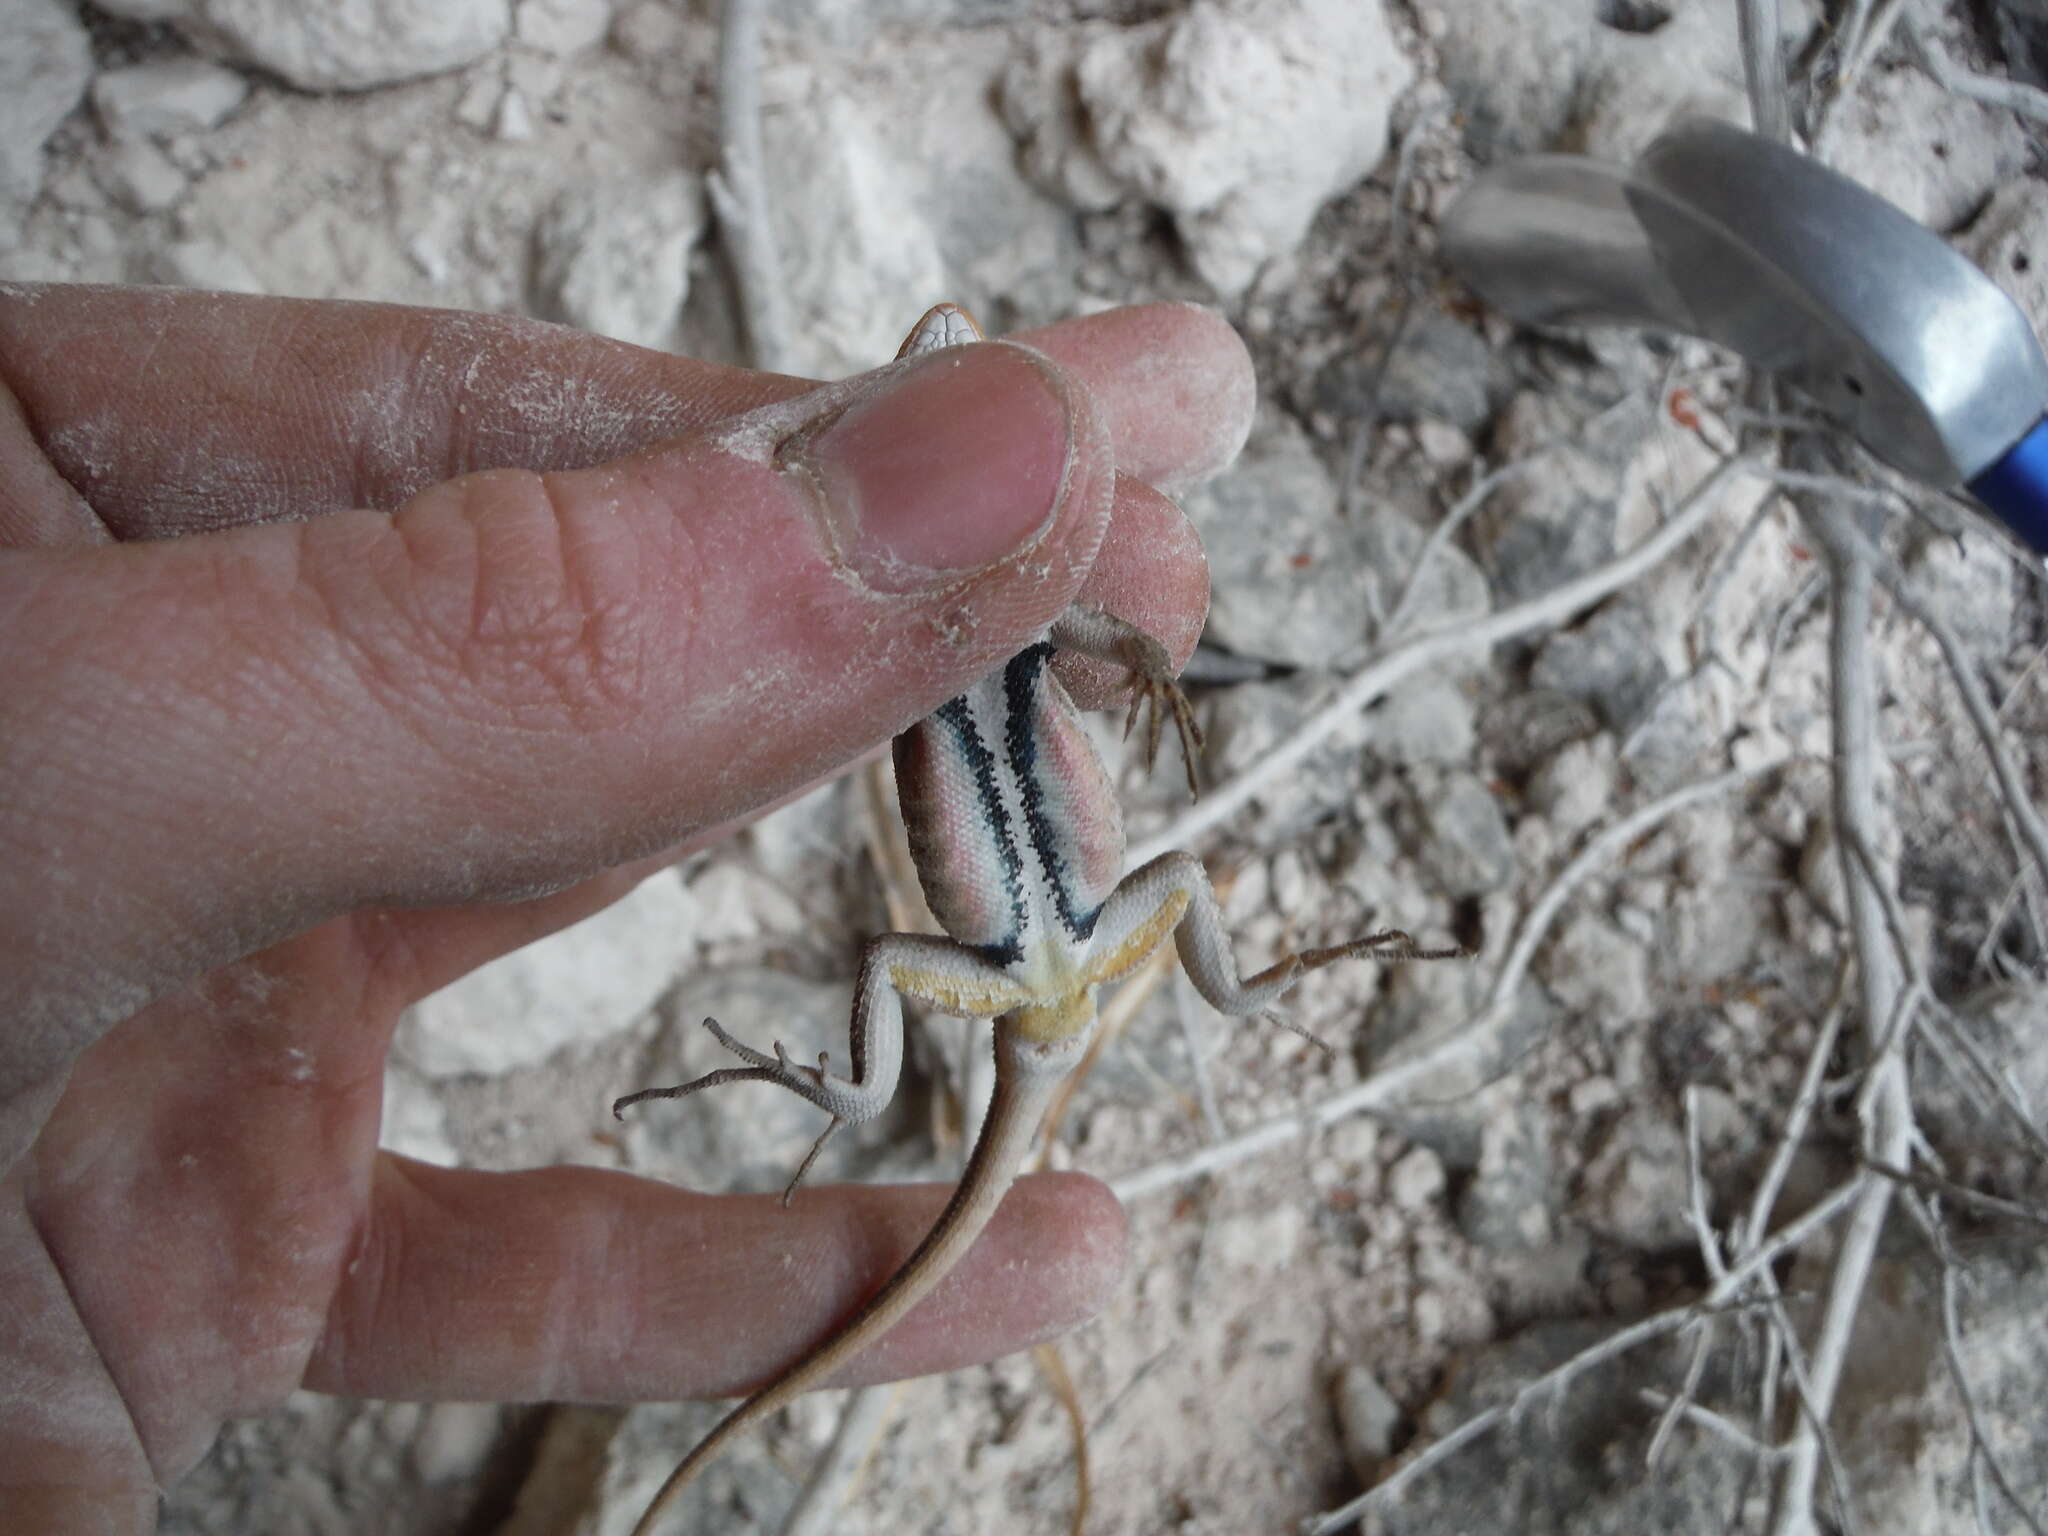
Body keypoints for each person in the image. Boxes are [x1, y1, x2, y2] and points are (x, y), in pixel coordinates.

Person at [0, 283, 1250, 1528]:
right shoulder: (941, 635)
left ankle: (912, 1076)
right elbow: (1108, 642)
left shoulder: (1010, 616)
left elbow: (1112, 640)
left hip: (1019, 961)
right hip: (1071, 933)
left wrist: (1144, 665)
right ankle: (866, 1091)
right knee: (1130, 888)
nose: (939, 345)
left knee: (1118, 896)